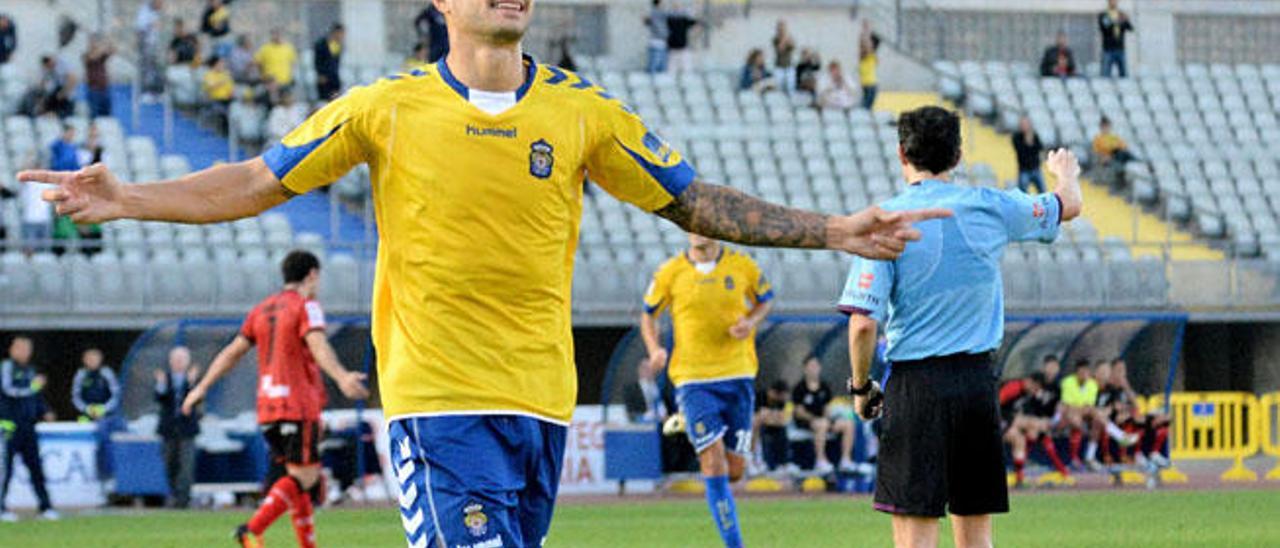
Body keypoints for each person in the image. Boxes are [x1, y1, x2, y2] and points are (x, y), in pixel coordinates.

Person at [17, 0, 949, 542]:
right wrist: (129, 197)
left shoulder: (586, 113)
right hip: (439, 398)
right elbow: (257, 181)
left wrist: (832, 229)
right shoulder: (385, 107)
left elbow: (695, 202)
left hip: (539, 400)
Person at [840, 106, 1082, 548]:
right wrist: (1064, 172)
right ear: (958, 156)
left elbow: (861, 325)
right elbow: (1070, 205)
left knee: (915, 537)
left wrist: (860, 389)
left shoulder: (885, 221)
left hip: (915, 387)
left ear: (901, 154)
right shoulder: (990, 205)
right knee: (976, 538)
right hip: (975, 383)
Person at [180, 251, 368, 547]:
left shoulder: (261, 309)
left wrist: (203, 386)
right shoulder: (307, 306)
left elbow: (232, 353)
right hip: (298, 405)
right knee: (305, 478)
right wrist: (342, 377)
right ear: (312, 275)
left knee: (299, 480)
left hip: (267, 408)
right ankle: (251, 529)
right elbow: (318, 345)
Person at [641, 232, 775, 547]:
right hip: (692, 379)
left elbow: (765, 299)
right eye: (692, 225)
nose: (698, 231)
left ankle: (692, 424)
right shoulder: (670, 272)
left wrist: (750, 322)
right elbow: (648, 315)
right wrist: (654, 349)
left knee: (735, 471)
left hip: (738, 374)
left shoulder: (742, 265)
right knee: (712, 461)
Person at [0, 336, 58, 522]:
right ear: (12, 350)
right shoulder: (7, 367)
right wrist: (32, 387)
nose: (25, 352)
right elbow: (9, 390)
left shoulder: (30, 370)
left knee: (36, 468)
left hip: (28, 427)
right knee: (5, 470)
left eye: (27, 349)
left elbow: (35, 397)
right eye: (21, 348)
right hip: (9, 427)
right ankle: (1, 508)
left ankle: (46, 507)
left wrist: (45, 410)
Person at [792, 356, 858, 473]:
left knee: (848, 424)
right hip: (806, 422)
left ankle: (845, 460)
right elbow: (799, 412)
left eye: (816, 366)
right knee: (821, 424)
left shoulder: (824, 387)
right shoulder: (799, 388)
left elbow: (827, 408)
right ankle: (820, 460)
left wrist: (829, 421)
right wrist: (815, 419)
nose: (814, 369)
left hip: (824, 420)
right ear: (805, 368)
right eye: (811, 366)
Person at [155, 346, 201, 508]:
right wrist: (161, 384)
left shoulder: (194, 379)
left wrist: (191, 383)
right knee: (169, 464)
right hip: (168, 429)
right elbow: (160, 399)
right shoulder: (164, 379)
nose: (179, 363)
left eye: (182, 359)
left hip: (187, 429)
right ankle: (171, 495)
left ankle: (184, 499)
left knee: (186, 465)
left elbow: (198, 399)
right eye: (176, 359)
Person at [71, 348, 122, 482]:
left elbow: (116, 395)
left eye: (95, 358)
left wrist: (102, 409)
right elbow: (75, 397)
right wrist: (88, 409)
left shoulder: (106, 373)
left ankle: (108, 473)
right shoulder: (81, 375)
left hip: (105, 414)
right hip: (86, 414)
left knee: (106, 434)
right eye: (89, 358)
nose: (92, 361)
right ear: (84, 360)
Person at [1059, 359, 1101, 469]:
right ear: (1076, 372)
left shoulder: (1092, 384)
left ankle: (1089, 457)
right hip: (1067, 414)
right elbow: (1067, 406)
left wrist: (1083, 409)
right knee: (1076, 420)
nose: (1083, 375)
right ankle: (1073, 459)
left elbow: (1089, 406)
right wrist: (1082, 409)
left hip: (1084, 413)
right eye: (1081, 372)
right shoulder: (1068, 382)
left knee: (1098, 419)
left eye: (1086, 372)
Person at [751, 380, 790, 471]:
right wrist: (771, 416)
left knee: (782, 431)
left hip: (771, 426)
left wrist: (769, 417)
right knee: (758, 427)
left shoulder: (780, 401)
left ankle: (782, 463)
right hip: (755, 427)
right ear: (773, 392)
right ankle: (755, 459)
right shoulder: (759, 396)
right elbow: (757, 417)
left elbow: (781, 419)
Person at [135, 0, 165, 100]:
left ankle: (156, 91)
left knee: (155, 68)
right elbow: (140, 29)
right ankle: (145, 92)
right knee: (146, 69)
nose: (161, 6)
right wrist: (151, 25)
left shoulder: (155, 12)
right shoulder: (144, 11)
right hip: (146, 44)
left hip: (154, 44)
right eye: (160, 3)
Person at [83, 33, 116, 118]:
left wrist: (109, 40)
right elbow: (93, 57)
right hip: (94, 90)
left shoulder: (101, 56)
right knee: (94, 115)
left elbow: (113, 50)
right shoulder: (86, 55)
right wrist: (100, 46)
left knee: (107, 115)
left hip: (104, 89)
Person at [254, 28, 297, 92]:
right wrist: (263, 75)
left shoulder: (289, 48)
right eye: (274, 34)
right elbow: (258, 63)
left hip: (285, 80)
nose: (277, 36)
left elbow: (293, 63)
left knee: (285, 99)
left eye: (278, 34)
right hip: (270, 82)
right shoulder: (265, 48)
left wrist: (291, 75)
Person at [1098, 0, 1133, 78]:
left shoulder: (1121, 14)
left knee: (1124, 75)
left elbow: (1130, 28)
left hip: (1120, 49)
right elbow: (1106, 27)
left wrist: (1127, 20)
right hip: (1108, 49)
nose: (1113, 2)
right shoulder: (1103, 15)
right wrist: (1119, 20)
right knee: (1105, 74)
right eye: (1112, 1)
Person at [1012, 116, 1045, 193]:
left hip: (1036, 168)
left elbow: (1039, 148)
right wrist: (1028, 142)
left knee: (1043, 191)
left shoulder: (1035, 136)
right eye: (1023, 124)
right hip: (1024, 170)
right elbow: (1021, 150)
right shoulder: (1016, 137)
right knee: (1022, 193)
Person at [313, 24, 344, 101]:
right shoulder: (321, 44)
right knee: (324, 101)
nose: (341, 36)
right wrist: (320, 74)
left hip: (334, 77)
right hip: (324, 78)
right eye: (340, 33)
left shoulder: (338, 46)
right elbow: (317, 61)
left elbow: (336, 64)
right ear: (335, 32)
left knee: (335, 99)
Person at [665, 6, 699, 73]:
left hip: (674, 47)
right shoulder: (683, 20)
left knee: (672, 70)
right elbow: (694, 22)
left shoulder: (670, 20)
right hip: (681, 47)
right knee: (687, 69)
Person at [858, 20, 880, 110]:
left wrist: (867, 31)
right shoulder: (863, 56)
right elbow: (862, 43)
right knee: (865, 107)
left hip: (871, 84)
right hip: (866, 84)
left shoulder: (871, 55)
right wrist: (865, 32)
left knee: (867, 107)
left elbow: (868, 45)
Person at [644, 0, 670, 74]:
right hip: (657, 41)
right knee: (655, 64)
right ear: (659, 4)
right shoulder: (656, 13)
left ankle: (659, 82)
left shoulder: (656, 14)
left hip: (660, 41)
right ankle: (652, 82)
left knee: (661, 64)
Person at [772, 20, 796, 91]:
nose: (781, 30)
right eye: (780, 28)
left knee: (790, 86)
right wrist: (784, 38)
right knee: (778, 86)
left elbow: (792, 46)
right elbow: (780, 49)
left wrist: (786, 38)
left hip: (789, 66)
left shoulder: (790, 38)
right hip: (779, 67)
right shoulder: (775, 39)